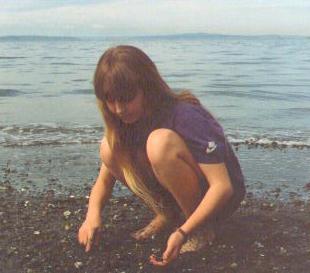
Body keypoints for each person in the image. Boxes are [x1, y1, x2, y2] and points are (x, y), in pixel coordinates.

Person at [78, 45, 245, 266]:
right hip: (183, 190)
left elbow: (223, 187)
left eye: (126, 98)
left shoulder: (185, 114)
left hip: (219, 198)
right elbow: (104, 179)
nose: (118, 109)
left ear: (147, 87)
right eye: (110, 100)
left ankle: (201, 229)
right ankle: (168, 213)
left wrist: (184, 233)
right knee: (108, 148)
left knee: (160, 143)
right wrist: (92, 216)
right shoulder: (125, 121)